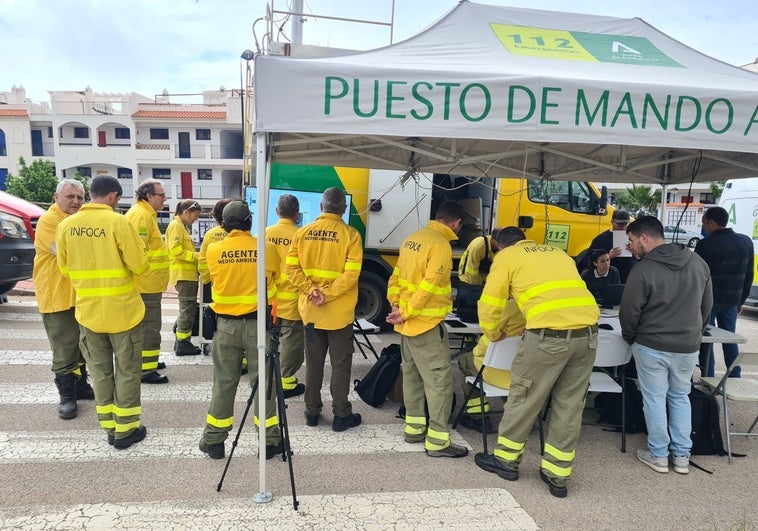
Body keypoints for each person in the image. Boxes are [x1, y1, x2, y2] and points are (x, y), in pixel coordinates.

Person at [474, 226, 599, 498]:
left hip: (548, 337)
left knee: (525, 395)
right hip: (588, 335)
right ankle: (557, 476)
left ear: (499, 246)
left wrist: (494, 334)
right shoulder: (558, 253)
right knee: (569, 404)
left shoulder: (506, 259)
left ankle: (506, 461)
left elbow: (489, 304)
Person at [56, 175, 150, 449]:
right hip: (123, 313)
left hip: (88, 313)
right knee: (127, 371)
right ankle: (126, 430)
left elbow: (64, 269)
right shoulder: (118, 223)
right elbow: (140, 265)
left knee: (100, 373)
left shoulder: (66, 226)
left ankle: (109, 426)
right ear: (113, 197)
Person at [620, 216, 712, 475]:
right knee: (680, 397)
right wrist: (695, 332)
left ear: (644, 238)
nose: (631, 246)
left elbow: (629, 311)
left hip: (651, 344)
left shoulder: (643, 269)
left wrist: (631, 336)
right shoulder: (698, 263)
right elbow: (707, 306)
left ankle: (659, 454)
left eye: (632, 240)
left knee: (655, 399)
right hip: (687, 345)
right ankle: (682, 455)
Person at [198, 201, 282, 460]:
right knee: (263, 384)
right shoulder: (266, 247)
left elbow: (207, 276)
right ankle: (268, 442)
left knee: (223, 383)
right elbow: (276, 277)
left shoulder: (214, 249)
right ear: (249, 222)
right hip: (259, 326)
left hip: (225, 327)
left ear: (223, 224)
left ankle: (214, 441)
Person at [386, 200, 469, 458]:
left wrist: (396, 306)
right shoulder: (440, 245)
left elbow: (396, 277)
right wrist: (408, 311)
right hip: (426, 325)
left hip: (406, 325)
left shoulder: (413, 238)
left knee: (411, 378)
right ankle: (437, 441)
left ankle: (414, 429)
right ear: (456, 223)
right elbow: (430, 283)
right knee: (439, 383)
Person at [286, 187, 363, 432]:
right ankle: (341, 415)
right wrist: (327, 294)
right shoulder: (351, 235)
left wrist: (312, 291)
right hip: (339, 315)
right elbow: (352, 274)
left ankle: (311, 411)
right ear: (344, 209)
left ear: (321, 207)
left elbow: (291, 270)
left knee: (314, 363)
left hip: (311, 313)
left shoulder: (302, 233)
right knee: (340, 365)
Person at [33, 179, 94, 419]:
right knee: (64, 346)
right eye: (70, 197)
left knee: (80, 342)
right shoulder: (50, 221)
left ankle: (80, 386)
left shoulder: (74, 221)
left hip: (77, 293)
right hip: (56, 295)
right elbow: (67, 250)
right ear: (56, 197)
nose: (76, 202)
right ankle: (67, 395)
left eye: (80, 197)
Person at [695, 206, 754, 378]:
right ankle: (735, 376)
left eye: (704, 223)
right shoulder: (745, 241)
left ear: (712, 222)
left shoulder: (705, 245)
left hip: (708, 301)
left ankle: (708, 377)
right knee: (730, 340)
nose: (704, 228)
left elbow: (697, 275)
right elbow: (749, 274)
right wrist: (741, 300)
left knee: (706, 341)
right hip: (732, 300)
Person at [125, 179, 170, 385]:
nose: (164, 198)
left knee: (149, 327)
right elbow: (137, 252)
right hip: (145, 284)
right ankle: (145, 369)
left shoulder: (144, 214)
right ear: (149, 196)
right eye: (161, 195)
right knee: (149, 328)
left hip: (149, 283)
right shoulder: (141, 216)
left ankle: (149, 361)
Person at [457, 298, 525, 433]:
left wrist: (476, 351)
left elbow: (491, 338)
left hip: (498, 374)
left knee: (464, 361)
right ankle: (516, 415)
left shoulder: (511, 306)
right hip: (524, 374)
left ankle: (478, 416)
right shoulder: (540, 307)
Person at [266, 194, 306, 398]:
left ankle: (267, 378)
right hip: (292, 297)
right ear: (297, 214)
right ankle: (286, 382)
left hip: (268, 298)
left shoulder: (264, 234)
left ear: (276, 211)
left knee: (269, 338)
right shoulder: (302, 235)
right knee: (292, 342)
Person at [167, 199, 203, 356]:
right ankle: (183, 343)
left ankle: (182, 340)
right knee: (187, 310)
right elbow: (176, 251)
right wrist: (197, 256)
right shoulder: (176, 226)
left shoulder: (182, 227)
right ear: (186, 212)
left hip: (187, 275)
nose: (195, 219)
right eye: (195, 216)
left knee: (187, 309)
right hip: (183, 275)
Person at [589, 209, 635, 283]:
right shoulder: (600, 240)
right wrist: (608, 257)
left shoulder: (633, 237)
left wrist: (635, 251)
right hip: (608, 281)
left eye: (625, 224)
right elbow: (590, 262)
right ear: (612, 222)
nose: (623, 227)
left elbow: (642, 257)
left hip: (629, 280)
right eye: (619, 224)